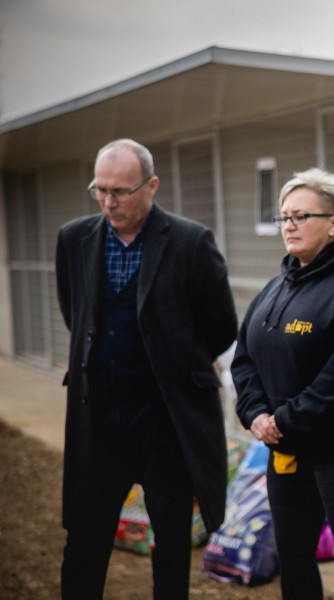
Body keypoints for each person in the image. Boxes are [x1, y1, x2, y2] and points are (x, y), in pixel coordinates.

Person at [55, 139, 238, 598]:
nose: (108, 202)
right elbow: (76, 314)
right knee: (85, 537)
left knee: (172, 539)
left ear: (151, 186)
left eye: (120, 191)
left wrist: (174, 365)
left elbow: (220, 326)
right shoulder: (74, 239)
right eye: (100, 190)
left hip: (166, 422)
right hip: (98, 420)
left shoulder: (191, 242)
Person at [231, 168, 334, 599]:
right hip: (284, 451)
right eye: (284, 217)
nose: (289, 226)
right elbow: (244, 358)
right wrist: (255, 414)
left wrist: (284, 420)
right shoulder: (274, 287)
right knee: (293, 558)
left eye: (301, 216)